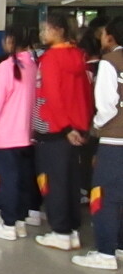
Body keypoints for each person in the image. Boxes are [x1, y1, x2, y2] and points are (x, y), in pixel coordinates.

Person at [33, 13, 93, 251]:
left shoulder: (51, 59)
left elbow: (53, 97)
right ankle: (72, 229)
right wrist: (82, 126)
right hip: (77, 128)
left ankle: (60, 231)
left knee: (54, 182)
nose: (41, 34)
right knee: (70, 181)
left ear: (57, 31)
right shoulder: (79, 56)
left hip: (54, 128)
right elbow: (86, 94)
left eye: (45, 29)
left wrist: (65, 127)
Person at [72, 16, 123, 270]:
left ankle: (105, 251)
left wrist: (96, 128)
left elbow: (106, 106)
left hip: (115, 141)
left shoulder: (110, 62)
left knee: (104, 195)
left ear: (111, 37)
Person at [0, 25, 38, 241]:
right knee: (22, 179)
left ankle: (8, 224)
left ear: (11, 41)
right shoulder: (32, 65)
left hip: (6, 136)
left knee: (6, 181)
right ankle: (19, 221)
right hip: (26, 135)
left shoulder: (6, 68)